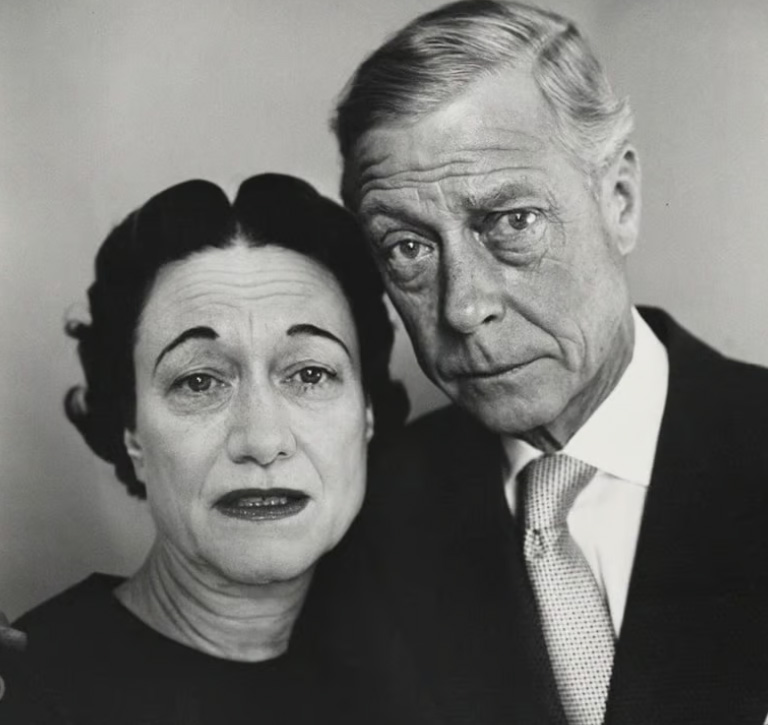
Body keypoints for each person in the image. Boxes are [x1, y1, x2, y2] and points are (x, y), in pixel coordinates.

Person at [328, 1, 768, 723]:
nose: (462, 307)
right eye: (408, 247)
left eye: (512, 222)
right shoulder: (363, 521)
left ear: (619, 200)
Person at [12, 174, 409, 724]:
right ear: (130, 432)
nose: (264, 441)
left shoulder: (424, 672)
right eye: (199, 382)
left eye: (311, 373)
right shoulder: (28, 692)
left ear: (366, 412)